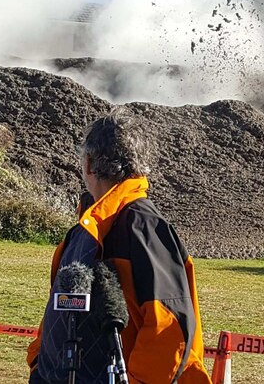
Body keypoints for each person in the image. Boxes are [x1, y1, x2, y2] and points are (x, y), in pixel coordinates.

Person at [27, 109, 212, 384]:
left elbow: (170, 329)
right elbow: (63, 310)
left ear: (88, 164)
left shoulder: (142, 226)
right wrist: (40, 366)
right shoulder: (88, 229)